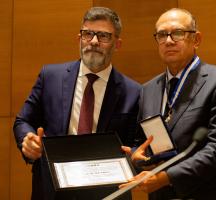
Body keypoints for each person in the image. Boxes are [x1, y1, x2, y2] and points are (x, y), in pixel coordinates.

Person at [13, 7, 140, 200]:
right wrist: (28, 140)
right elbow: (23, 120)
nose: (94, 41)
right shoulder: (50, 77)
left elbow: (137, 146)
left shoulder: (134, 92)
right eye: (88, 34)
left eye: (103, 36)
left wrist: (135, 155)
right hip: (52, 190)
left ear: (117, 44)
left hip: (107, 192)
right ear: (79, 38)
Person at [121, 8, 216, 200]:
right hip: (161, 195)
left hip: (209, 193)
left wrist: (166, 177)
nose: (169, 40)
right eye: (162, 35)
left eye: (177, 33)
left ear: (196, 39)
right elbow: (141, 140)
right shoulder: (148, 89)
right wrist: (137, 155)